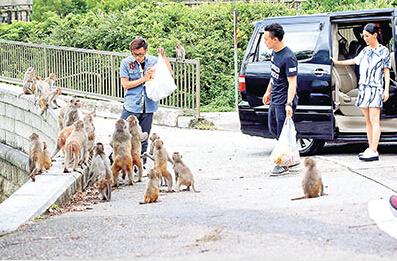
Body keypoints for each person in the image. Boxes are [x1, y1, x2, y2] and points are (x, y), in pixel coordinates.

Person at [332, 23, 391, 161]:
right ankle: (370, 147)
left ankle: (374, 150)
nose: (364, 38)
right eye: (363, 36)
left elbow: (386, 72)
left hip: (375, 89)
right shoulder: (364, 51)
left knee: (375, 120)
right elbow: (354, 60)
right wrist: (337, 62)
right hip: (363, 89)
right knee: (368, 121)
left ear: (375, 35)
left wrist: (386, 90)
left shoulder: (384, 51)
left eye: (367, 36)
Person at [117, 37, 172, 166]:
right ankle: (117, 161)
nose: (138, 58)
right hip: (131, 105)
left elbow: (168, 72)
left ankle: (139, 164)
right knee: (122, 134)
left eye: (141, 54)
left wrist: (163, 56)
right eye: (135, 54)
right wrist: (144, 79)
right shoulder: (126, 63)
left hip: (148, 105)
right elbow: (125, 84)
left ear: (145, 51)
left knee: (143, 137)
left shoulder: (153, 61)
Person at [262, 23, 298, 175]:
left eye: (266, 39)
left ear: (275, 39)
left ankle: (283, 164)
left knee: (283, 132)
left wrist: (289, 104)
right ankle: (288, 159)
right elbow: (274, 75)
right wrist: (267, 92)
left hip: (284, 100)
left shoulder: (288, 57)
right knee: (273, 128)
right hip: (275, 97)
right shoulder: (274, 54)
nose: (265, 42)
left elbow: (292, 82)